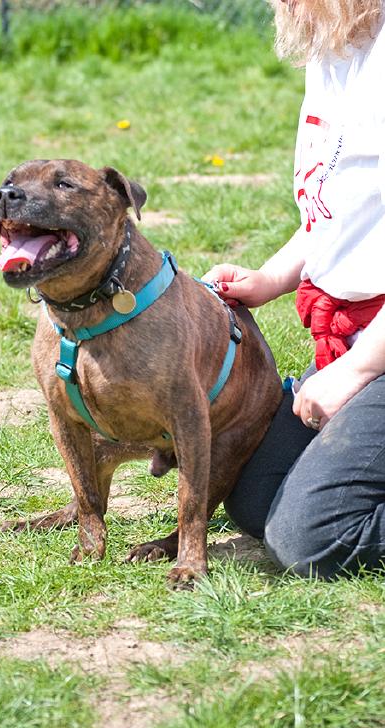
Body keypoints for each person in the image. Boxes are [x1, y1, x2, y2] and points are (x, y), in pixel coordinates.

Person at [203, 0, 385, 579]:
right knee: (254, 497)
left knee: (312, 537)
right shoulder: (337, 46)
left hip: (373, 347)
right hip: (353, 338)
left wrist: (356, 371)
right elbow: (333, 210)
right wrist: (272, 279)